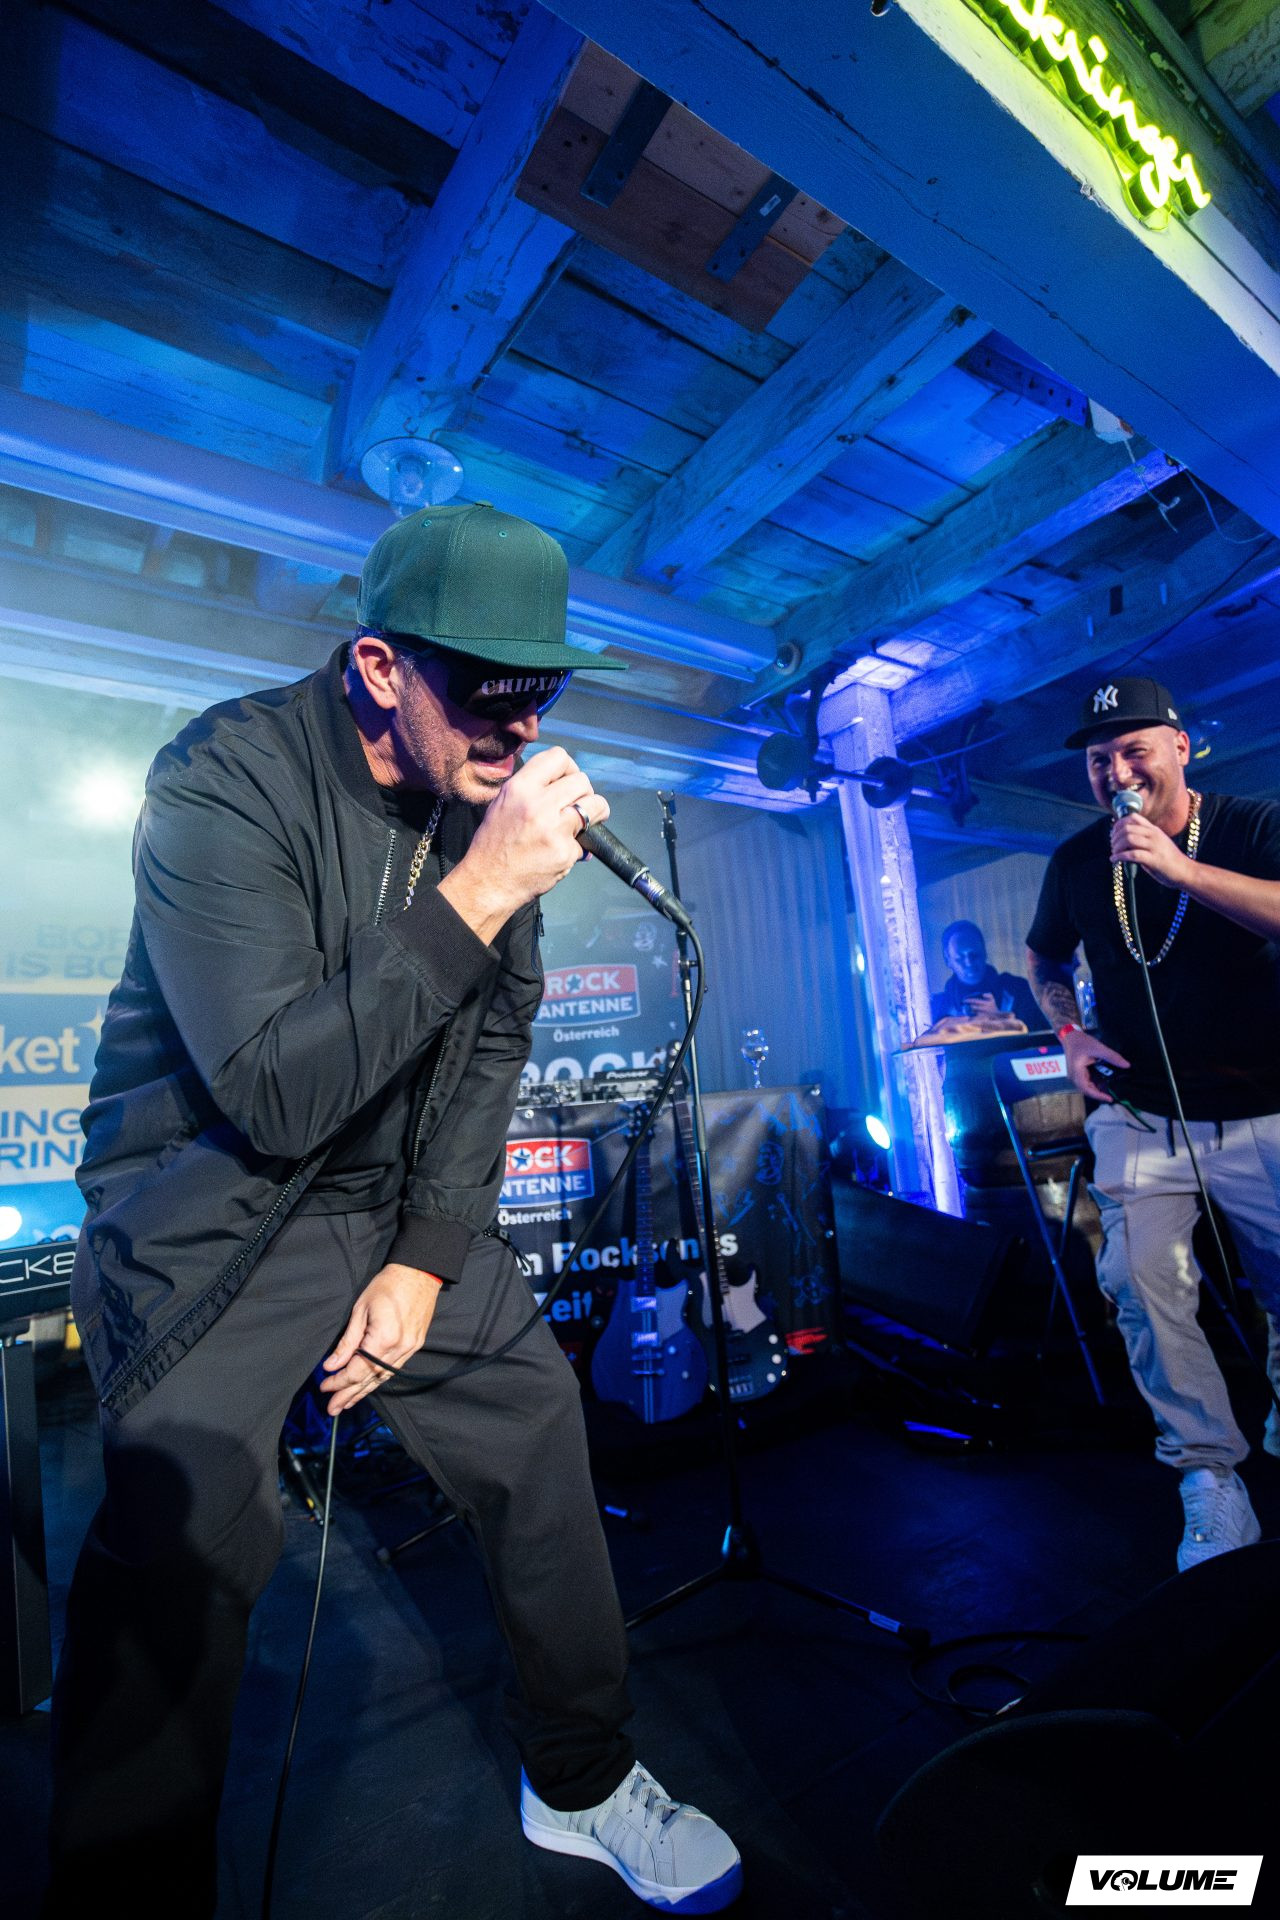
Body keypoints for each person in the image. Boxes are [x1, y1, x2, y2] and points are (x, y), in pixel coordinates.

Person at [47, 503, 741, 1917]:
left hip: (383, 1197)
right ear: (379, 665)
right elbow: (273, 1091)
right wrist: (482, 885)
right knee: (186, 1537)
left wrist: (427, 1259)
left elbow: (489, 1050)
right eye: (487, 695)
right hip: (213, 1202)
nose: (519, 730)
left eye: (543, 695)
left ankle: (581, 1775)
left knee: (534, 1423)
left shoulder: (483, 798)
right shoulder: (224, 778)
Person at [1026, 675, 1280, 1573]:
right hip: (1140, 1112)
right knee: (1140, 1285)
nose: (1118, 772)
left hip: (1264, 1107)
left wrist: (1180, 870)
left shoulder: (1252, 825)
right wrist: (1068, 1034)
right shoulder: (1076, 860)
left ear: (1181, 746)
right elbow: (1043, 956)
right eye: (1100, 759)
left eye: (1135, 750)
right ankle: (1208, 1471)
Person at [930, 919, 1043, 1030]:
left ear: (984, 952)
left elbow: (1042, 1033)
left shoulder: (1020, 990)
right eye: (960, 958)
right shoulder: (938, 1007)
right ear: (948, 960)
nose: (969, 963)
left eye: (974, 954)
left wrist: (1000, 1018)